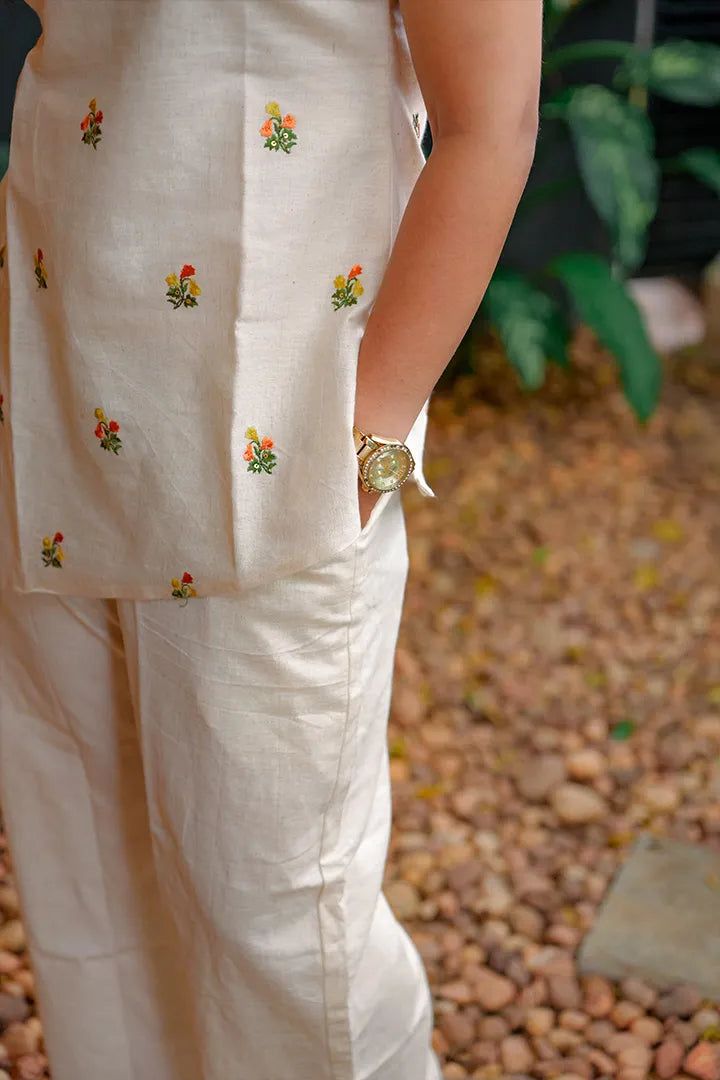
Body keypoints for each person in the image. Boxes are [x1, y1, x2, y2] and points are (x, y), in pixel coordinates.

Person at [0, 0, 543, 1077]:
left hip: (277, 440)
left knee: (283, 918)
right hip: (55, 385)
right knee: (84, 853)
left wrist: (369, 443)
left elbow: (494, 120)